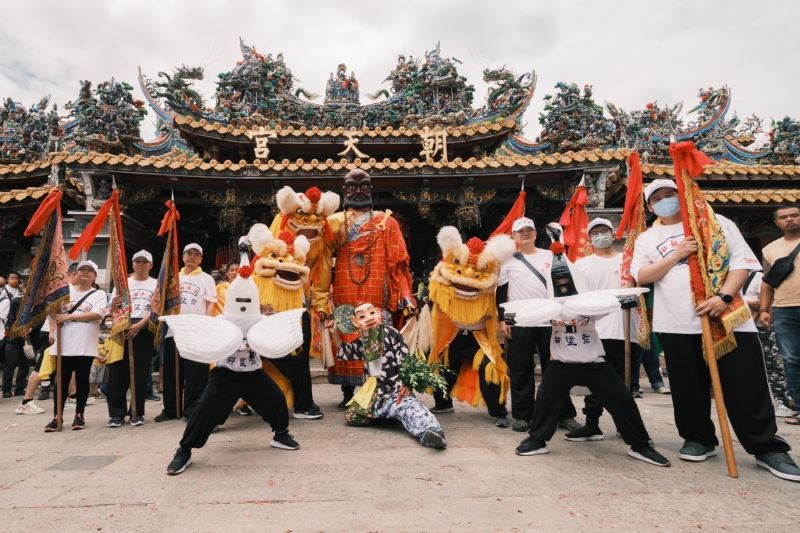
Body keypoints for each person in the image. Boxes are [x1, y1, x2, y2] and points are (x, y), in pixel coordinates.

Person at [631, 178, 799, 482]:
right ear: (650, 205)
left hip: (728, 317)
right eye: (658, 198)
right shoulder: (646, 238)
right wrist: (676, 254)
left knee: (745, 384)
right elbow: (642, 275)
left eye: (672, 194)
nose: (666, 200)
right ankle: (698, 437)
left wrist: (723, 297)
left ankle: (766, 446)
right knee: (686, 385)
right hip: (677, 321)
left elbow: (742, 262)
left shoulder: (714, 221)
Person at [513, 241, 670, 467]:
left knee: (622, 399)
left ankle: (640, 444)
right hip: (561, 364)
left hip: (594, 363)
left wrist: (624, 301)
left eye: (566, 280)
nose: (563, 284)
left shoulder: (589, 305)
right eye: (559, 281)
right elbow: (527, 315)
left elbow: (609, 302)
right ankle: (537, 439)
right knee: (545, 398)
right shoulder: (547, 308)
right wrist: (514, 317)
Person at [166, 255, 299, 475]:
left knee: (276, 400)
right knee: (204, 410)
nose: (243, 303)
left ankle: (281, 434)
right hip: (225, 375)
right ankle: (185, 449)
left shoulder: (263, 321)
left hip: (253, 374)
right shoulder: (220, 322)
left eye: (248, 298)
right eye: (239, 298)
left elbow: (276, 338)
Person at [314, 170, 415, 407]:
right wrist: (320, 299)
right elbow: (323, 262)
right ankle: (348, 391)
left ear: (371, 189)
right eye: (351, 187)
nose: (358, 191)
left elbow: (397, 263)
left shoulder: (387, 223)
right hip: (344, 288)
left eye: (364, 186)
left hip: (376, 288)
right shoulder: (334, 223)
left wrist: (404, 294)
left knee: (377, 336)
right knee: (346, 333)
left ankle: (379, 387)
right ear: (344, 190)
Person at [497, 217, 579, 432]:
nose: (525, 233)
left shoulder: (550, 255)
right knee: (520, 369)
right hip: (521, 319)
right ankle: (523, 415)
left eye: (528, 230)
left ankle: (564, 414)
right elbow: (500, 292)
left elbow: (564, 282)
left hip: (549, 319)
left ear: (535, 233)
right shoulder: (507, 260)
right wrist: (502, 318)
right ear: (513, 236)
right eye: (520, 231)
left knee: (556, 369)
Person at [427, 227, 515, 428]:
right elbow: (435, 296)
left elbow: (500, 300)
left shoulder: (492, 282)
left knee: (491, 367)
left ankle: (498, 411)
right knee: (441, 365)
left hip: (478, 336)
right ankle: (443, 403)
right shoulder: (444, 279)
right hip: (453, 334)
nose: (469, 273)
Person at [337, 302, 446, 448]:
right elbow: (345, 352)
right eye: (362, 316)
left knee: (410, 408)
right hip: (374, 393)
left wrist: (407, 382)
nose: (369, 318)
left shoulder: (391, 333)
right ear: (356, 323)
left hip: (394, 388)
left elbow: (405, 360)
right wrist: (333, 332)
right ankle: (389, 414)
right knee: (352, 416)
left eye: (371, 313)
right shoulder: (362, 342)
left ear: (379, 314)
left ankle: (431, 430)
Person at [248, 226, 323, 419]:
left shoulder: (296, 277)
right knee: (246, 365)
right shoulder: (257, 277)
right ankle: (243, 401)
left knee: (297, 365)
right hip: (263, 324)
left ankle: (302, 404)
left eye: (293, 258)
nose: (286, 262)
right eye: (277, 256)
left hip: (291, 324)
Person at [44, 260, 108, 431]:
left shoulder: (99, 294)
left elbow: (97, 314)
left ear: (95, 276)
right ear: (76, 274)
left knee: (82, 380)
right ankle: (57, 416)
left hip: (85, 344)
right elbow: (51, 311)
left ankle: (79, 415)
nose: (85, 272)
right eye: (82, 270)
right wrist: (52, 327)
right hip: (63, 343)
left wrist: (69, 317)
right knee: (61, 381)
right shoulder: (65, 292)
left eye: (89, 270)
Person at [156, 243, 217, 422]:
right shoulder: (172, 277)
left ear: (201, 259)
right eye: (188, 253)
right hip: (173, 331)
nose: (191, 257)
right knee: (172, 372)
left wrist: (207, 325)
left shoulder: (207, 279)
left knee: (196, 373)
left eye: (196, 254)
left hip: (196, 331)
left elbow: (211, 303)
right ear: (182, 256)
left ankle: (193, 408)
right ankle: (171, 409)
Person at [106, 250, 158, 427]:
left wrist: (140, 325)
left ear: (151, 265)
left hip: (144, 328)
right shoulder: (122, 283)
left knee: (140, 373)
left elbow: (156, 309)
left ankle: (136, 412)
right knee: (117, 373)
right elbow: (113, 307)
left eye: (144, 261)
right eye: (137, 261)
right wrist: (115, 311)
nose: (141, 264)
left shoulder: (156, 284)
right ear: (133, 263)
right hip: (121, 327)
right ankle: (116, 414)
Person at [759, 206, 800, 426]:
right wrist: (765, 309)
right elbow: (767, 282)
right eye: (783, 217)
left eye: (794, 215)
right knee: (792, 360)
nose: (790, 219)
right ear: (777, 223)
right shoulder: (770, 249)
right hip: (784, 309)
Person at [744, 271, 794, 417]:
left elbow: (768, 301)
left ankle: (781, 402)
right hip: (742, 327)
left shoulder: (759, 277)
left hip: (762, 327)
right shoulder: (726, 277)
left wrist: (742, 302)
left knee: (773, 364)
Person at [3, 295, 32, 398]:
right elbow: (11, 319)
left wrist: (30, 329)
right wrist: (18, 331)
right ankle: (6, 390)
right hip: (14, 337)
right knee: (10, 364)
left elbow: (38, 319)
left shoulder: (36, 303)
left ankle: (19, 388)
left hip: (28, 337)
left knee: (25, 364)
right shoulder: (16, 301)